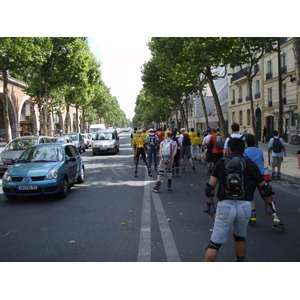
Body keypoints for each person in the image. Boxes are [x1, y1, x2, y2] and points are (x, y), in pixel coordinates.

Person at [203, 137, 275, 262]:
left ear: (229, 149)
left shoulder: (222, 162)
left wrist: (210, 205)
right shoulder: (249, 163)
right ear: (244, 149)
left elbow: (210, 188)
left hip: (225, 205)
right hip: (244, 205)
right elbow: (265, 187)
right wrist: (269, 205)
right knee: (240, 237)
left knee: (215, 243)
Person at [244, 134, 285, 230]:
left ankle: (253, 216)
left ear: (246, 143)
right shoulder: (259, 151)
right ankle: (275, 216)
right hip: (260, 175)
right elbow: (262, 163)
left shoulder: (245, 152)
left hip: (250, 176)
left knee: (250, 196)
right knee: (267, 195)